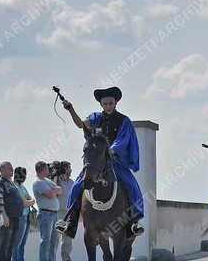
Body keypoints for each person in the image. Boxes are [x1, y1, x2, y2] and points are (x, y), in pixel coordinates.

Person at [55, 87, 144, 238]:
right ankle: (70, 221)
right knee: (77, 185)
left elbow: (123, 140)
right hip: (96, 161)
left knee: (131, 185)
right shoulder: (95, 118)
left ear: (115, 103)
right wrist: (71, 110)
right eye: (105, 103)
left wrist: (109, 151)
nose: (108, 106)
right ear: (101, 104)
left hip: (114, 161)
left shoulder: (124, 121)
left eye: (110, 103)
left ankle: (134, 221)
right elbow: (80, 124)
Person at [33, 161, 62, 261]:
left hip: (54, 213)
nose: (48, 170)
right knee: (46, 239)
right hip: (45, 214)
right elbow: (50, 194)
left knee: (55, 239)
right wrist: (54, 190)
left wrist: (53, 190)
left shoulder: (47, 181)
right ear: (42, 169)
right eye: (46, 168)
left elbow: (60, 190)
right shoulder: (38, 183)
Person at [0, 161, 23, 261]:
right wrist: (4, 216)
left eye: (12, 168)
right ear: (1, 170)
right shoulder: (0, 182)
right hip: (7, 216)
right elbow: (0, 199)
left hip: (16, 216)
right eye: (9, 168)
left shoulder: (11, 183)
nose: (12, 170)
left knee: (12, 241)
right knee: (5, 241)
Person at [12, 166, 34, 261]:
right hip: (20, 217)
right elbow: (25, 203)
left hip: (27, 216)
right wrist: (30, 201)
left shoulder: (23, 187)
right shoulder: (15, 187)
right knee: (17, 242)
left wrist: (29, 201)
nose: (24, 177)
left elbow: (30, 199)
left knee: (22, 243)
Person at [54, 162, 76, 261]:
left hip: (69, 213)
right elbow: (54, 191)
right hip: (59, 212)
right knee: (55, 237)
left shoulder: (72, 182)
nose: (71, 170)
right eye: (69, 168)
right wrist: (55, 176)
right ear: (64, 169)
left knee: (68, 239)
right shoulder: (57, 181)